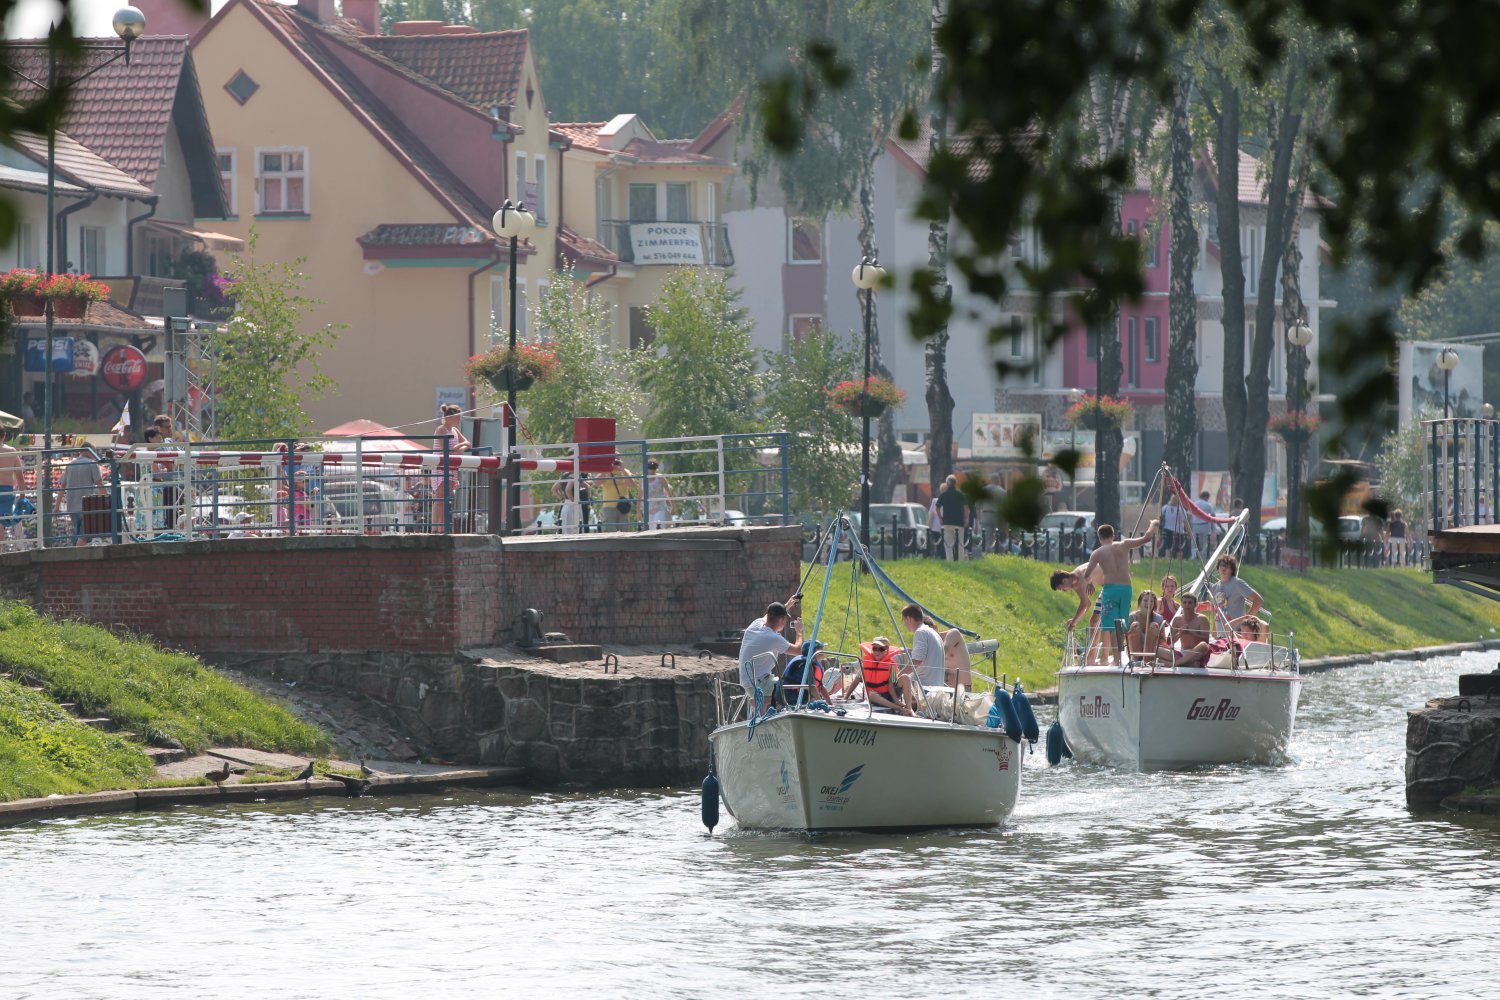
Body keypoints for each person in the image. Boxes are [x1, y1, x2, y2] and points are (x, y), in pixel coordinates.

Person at [1081, 520, 1159, 664]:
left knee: (1110, 625)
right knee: (1121, 624)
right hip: (1126, 589)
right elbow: (1146, 538)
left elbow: (1086, 574)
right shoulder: (1124, 544)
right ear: (1113, 535)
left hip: (1110, 590)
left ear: (1099, 537)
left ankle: (1115, 659)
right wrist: (1152, 525)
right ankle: (1119, 658)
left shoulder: (1097, 553)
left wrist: (1090, 583)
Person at [737, 601, 803, 710]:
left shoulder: (756, 624)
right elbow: (798, 650)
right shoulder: (772, 637)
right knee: (793, 688)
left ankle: (759, 703)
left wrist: (787, 605)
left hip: (748, 681)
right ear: (782, 619)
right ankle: (762, 702)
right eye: (785, 619)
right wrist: (799, 631)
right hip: (758, 683)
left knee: (782, 685)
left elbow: (771, 614)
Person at [1052, 562, 1105, 660]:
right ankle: (1091, 656)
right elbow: (1087, 604)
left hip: (1114, 583)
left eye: (1061, 588)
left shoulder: (1080, 577)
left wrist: (1073, 624)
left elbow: (1085, 604)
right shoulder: (1075, 581)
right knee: (1094, 621)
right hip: (1107, 586)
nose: (1064, 591)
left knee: (1097, 621)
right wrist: (1074, 620)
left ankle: (1093, 657)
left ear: (1064, 580)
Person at [900, 604, 946, 707]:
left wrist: (898, 677)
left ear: (909, 618)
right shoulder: (933, 633)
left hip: (924, 689)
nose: (904, 624)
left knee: (895, 684)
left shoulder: (920, 632)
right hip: (937, 687)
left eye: (904, 620)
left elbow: (916, 661)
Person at [1211, 553, 1263, 635]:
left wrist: (1245, 620)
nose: (1223, 568)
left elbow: (1258, 601)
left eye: (1227, 566)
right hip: (1220, 635)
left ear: (1232, 569)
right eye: (1221, 565)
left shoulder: (1237, 583)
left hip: (1236, 633)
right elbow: (1216, 612)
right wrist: (1214, 634)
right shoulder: (1214, 587)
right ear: (1218, 568)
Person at [859, 635, 912, 715]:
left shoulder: (891, 665)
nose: (877, 652)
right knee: (871, 694)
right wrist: (846, 697)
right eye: (875, 649)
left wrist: (895, 699)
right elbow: (856, 680)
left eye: (881, 649)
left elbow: (891, 685)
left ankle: (909, 709)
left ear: (887, 650)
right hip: (876, 696)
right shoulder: (865, 662)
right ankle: (899, 708)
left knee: (905, 677)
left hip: (891, 694)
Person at [60, 449, 104, 545]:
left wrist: (56, 507)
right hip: (86, 507)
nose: (94, 455)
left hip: (72, 508)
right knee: (85, 536)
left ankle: (75, 550)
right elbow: (100, 485)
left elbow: (62, 487)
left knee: (78, 534)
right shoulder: (92, 464)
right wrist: (108, 501)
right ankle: (77, 553)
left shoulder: (69, 465)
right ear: (88, 451)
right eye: (94, 452)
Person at [1167, 591, 1213, 667]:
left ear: (1195, 605)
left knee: (1204, 645)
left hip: (1197, 652)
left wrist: (1191, 632)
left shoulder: (1202, 619)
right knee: (1158, 650)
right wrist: (1179, 634)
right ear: (1181, 604)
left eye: (1190, 603)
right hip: (1182, 652)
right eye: (1184, 602)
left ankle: (1176, 663)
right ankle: (1187, 662)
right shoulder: (1177, 619)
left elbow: (1206, 640)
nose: (1187, 605)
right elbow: (1169, 641)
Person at [779, 640, 833, 705]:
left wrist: (830, 704)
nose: (823, 651)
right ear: (814, 651)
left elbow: (820, 687)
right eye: (821, 648)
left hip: (796, 694)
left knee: (813, 700)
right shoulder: (805, 664)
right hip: (790, 695)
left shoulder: (812, 663)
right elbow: (812, 687)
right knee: (813, 701)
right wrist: (821, 704)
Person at [1126, 590, 1169, 665]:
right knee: (1135, 625)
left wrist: (1158, 635)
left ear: (1154, 603)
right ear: (1140, 602)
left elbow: (1163, 641)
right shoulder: (1132, 617)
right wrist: (1130, 633)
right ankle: (1135, 659)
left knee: (1154, 625)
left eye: (1151, 601)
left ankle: (1147, 660)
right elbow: (1124, 638)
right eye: (1145, 600)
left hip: (1151, 652)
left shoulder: (1159, 619)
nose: (1149, 603)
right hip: (1134, 650)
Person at [596, 458, 638, 531]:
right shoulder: (606, 472)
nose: (615, 462)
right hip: (609, 507)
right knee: (609, 531)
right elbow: (596, 483)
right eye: (614, 460)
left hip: (623, 507)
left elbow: (631, 485)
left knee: (624, 531)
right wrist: (607, 469)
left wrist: (623, 470)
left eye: (617, 460)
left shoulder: (625, 472)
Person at [936, 475, 969, 561]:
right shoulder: (961, 495)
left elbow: (937, 507)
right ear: (956, 483)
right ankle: (960, 561)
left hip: (947, 522)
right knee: (960, 543)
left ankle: (950, 561)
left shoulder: (943, 495)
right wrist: (966, 519)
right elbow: (966, 507)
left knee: (948, 544)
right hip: (959, 522)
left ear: (947, 484)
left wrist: (940, 518)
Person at [0, 429, 23, 544]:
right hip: (6, 491)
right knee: (1, 522)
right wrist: (23, 496)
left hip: (6, 491)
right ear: (4, 436)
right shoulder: (11, 451)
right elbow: (20, 477)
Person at [645, 459, 675, 530]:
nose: (652, 470)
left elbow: (668, 492)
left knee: (659, 525)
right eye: (650, 467)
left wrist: (673, 506)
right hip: (648, 508)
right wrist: (638, 511)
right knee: (651, 529)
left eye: (654, 468)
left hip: (660, 506)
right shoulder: (643, 479)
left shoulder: (660, 478)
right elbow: (640, 495)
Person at [1191, 490, 1218, 558]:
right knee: (1204, 542)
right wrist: (1214, 528)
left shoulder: (1194, 503)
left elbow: (1189, 514)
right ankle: (1203, 556)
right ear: (1206, 497)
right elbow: (1213, 516)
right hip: (1205, 525)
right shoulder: (1208, 505)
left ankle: (1194, 556)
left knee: (1194, 542)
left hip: (1195, 525)